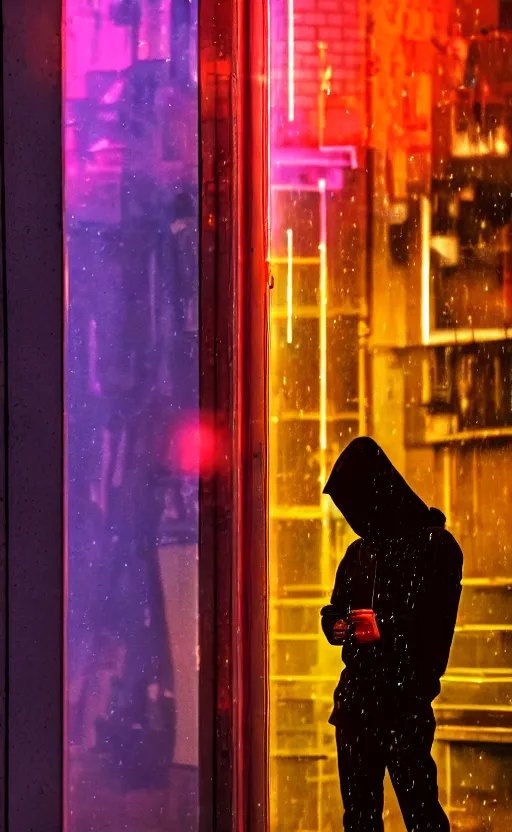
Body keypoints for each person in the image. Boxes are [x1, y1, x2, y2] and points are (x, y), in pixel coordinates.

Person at [321, 437, 463, 832]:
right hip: (361, 703)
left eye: (355, 504)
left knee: (418, 812)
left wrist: (382, 627)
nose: (353, 517)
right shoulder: (360, 552)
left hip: (403, 702)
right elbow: (334, 608)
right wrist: (337, 625)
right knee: (365, 815)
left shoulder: (433, 546)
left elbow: (435, 625)